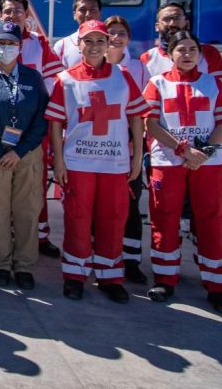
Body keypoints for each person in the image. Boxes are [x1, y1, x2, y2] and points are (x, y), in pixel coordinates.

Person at [45, 20, 149, 303]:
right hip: (78, 163)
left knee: (113, 220)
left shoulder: (123, 75)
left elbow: (138, 119)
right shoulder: (64, 80)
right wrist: (60, 162)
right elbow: (55, 123)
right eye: (87, 41)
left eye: (99, 41)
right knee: (77, 220)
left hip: (115, 164)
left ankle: (110, 276)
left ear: (107, 44)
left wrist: (137, 158)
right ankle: (75, 275)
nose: (93, 47)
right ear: (78, 44)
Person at [143, 31, 222, 315]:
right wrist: (184, 150)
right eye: (181, 49)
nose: (187, 54)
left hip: (207, 164)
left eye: (192, 49)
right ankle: (164, 279)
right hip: (168, 162)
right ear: (170, 54)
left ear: (200, 54)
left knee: (212, 221)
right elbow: (150, 124)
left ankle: (218, 287)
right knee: (164, 218)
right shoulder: (157, 84)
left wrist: (205, 152)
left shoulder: (213, 84)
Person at [0, 0, 65, 258]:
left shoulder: (40, 43)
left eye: (18, 10)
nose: (13, 15)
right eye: (7, 11)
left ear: (27, 15)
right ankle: (3, 253)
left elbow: (52, 84)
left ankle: (39, 237)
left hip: (32, 132)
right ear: (0, 15)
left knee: (33, 190)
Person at [0, 21, 49, 289]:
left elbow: (42, 118)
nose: (6, 48)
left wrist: (20, 150)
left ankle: (25, 265)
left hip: (26, 154)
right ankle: (1, 264)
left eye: (11, 43)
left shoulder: (32, 77)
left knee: (27, 210)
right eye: (1, 43)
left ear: (20, 46)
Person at [104, 15, 152, 284]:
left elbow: (141, 114)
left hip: (128, 147)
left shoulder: (139, 68)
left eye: (121, 32)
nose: (116, 37)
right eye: (111, 33)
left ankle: (131, 260)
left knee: (130, 207)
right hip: (96, 147)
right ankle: (102, 258)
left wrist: (137, 150)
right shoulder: (87, 68)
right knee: (100, 209)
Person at [141, 2, 222, 92]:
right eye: (167, 19)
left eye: (177, 18)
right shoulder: (147, 57)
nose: (172, 23)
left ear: (187, 23)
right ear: (157, 27)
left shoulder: (208, 53)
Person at [52, 0, 103, 68]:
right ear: (74, 15)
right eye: (82, 10)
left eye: (92, 10)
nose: (88, 14)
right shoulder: (62, 45)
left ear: (100, 14)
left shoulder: (111, 42)